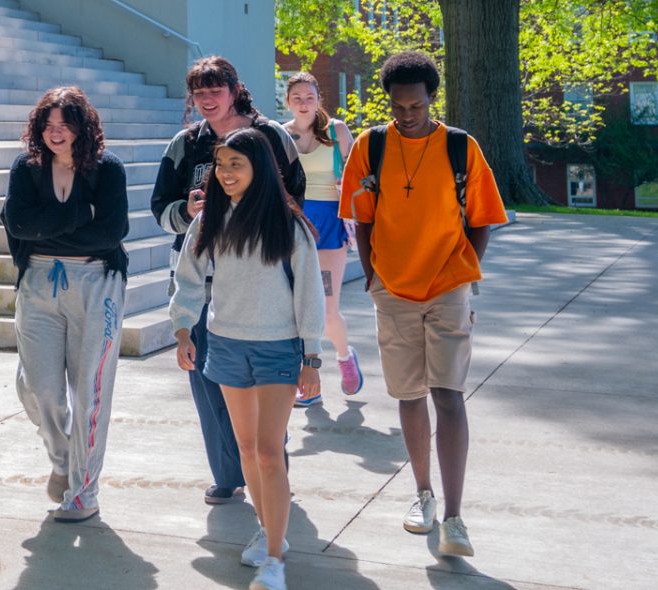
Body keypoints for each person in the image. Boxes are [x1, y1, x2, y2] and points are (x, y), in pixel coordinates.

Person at [341, 51, 508, 560]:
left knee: (448, 394)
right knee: (409, 395)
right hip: (392, 289)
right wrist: (373, 275)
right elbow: (362, 218)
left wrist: (462, 269)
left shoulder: (461, 147)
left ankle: (454, 517)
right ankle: (423, 495)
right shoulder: (371, 146)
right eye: (398, 106)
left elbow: (482, 217)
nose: (407, 114)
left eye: (415, 106)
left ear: (432, 98)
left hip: (448, 287)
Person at [170, 128, 324, 590]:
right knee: (247, 450)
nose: (226, 173)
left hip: (278, 348)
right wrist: (183, 328)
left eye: (236, 164)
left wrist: (312, 356)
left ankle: (274, 559)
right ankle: (268, 528)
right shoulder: (210, 219)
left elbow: (309, 292)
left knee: (269, 451)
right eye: (221, 165)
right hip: (225, 344)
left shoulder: (288, 224)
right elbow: (189, 277)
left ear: (260, 168)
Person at [149, 56, 305, 505]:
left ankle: (272, 468)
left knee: (264, 383)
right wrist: (187, 212)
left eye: (215, 90)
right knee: (206, 380)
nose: (206, 100)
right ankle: (227, 473)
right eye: (198, 93)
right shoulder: (186, 144)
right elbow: (160, 208)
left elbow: (296, 196)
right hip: (201, 282)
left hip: (262, 282)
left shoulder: (270, 136)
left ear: (235, 90)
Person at [0, 86, 130, 524]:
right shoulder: (26, 168)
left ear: (82, 127)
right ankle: (62, 460)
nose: (56, 133)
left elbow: (110, 233)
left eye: (65, 124)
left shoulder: (107, 169)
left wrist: (48, 228)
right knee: (37, 387)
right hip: (38, 282)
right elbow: (18, 224)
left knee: (90, 391)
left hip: (96, 283)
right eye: (48, 125)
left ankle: (83, 492)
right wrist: (79, 216)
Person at [281, 71, 363, 404]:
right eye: (297, 98)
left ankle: (345, 357)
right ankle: (306, 381)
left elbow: (360, 175)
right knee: (294, 310)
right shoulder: (279, 134)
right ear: (288, 101)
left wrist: (350, 192)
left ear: (318, 100)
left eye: (309, 97)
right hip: (293, 224)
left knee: (327, 310)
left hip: (329, 224)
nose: (303, 104)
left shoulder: (336, 131)